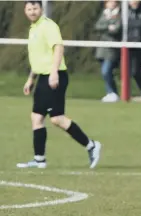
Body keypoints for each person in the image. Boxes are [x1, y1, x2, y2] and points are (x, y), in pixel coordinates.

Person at [18, 0, 102, 169]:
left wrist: (54, 72)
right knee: (36, 117)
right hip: (42, 77)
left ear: (41, 9)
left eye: (35, 8)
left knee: (57, 118)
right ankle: (39, 159)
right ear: (25, 11)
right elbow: (39, 57)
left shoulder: (48, 26)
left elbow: (58, 48)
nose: (32, 12)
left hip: (54, 76)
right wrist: (31, 79)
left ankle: (92, 145)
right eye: (29, 9)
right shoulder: (34, 28)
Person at [95, 0, 122, 103]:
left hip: (112, 48)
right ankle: (111, 93)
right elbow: (98, 26)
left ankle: (112, 92)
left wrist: (107, 26)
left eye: (113, 2)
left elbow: (116, 29)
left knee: (106, 71)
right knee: (106, 72)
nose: (112, 4)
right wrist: (108, 25)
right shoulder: (104, 13)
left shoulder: (119, 14)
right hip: (102, 48)